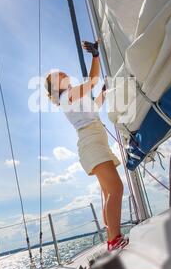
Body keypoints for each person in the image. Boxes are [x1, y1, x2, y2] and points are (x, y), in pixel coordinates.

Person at [44, 41, 129, 252]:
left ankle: (112, 239)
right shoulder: (67, 96)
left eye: (63, 73)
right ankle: (114, 239)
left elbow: (96, 106)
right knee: (115, 188)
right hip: (92, 143)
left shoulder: (74, 97)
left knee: (109, 191)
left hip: (95, 141)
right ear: (56, 87)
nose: (64, 74)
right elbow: (91, 81)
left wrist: (104, 90)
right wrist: (95, 56)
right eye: (59, 76)